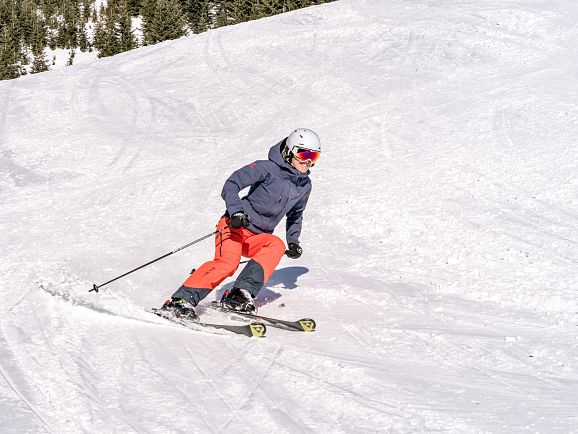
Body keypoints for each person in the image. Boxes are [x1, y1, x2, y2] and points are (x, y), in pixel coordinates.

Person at [160, 128, 321, 320]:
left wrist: (293, 240)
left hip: (258, 237)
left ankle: (238, 295)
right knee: (228, 264)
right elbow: (232, 184)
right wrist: (236, 211)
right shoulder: (266, 168)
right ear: (289, 151)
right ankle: (180, 300)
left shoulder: (304, 186)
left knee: (276, 244)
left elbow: (296, 214)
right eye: (304, 153)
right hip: (235, 226)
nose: (309, 160)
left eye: (314, 156)